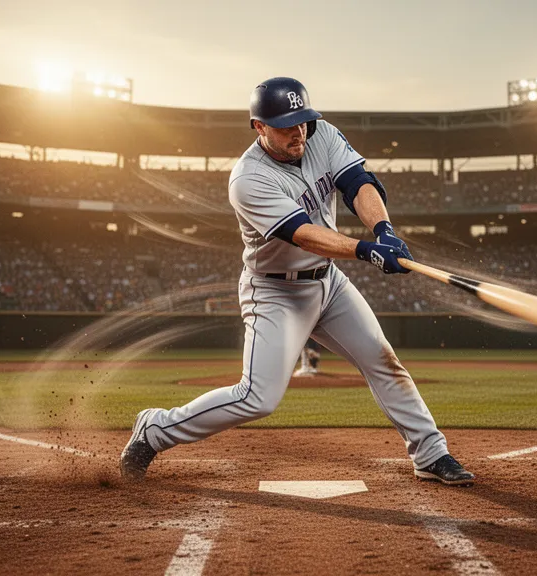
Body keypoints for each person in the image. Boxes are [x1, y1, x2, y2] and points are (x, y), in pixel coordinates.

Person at [119, 77, 474, 486]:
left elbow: (358, 184)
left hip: (329, 283)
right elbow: (303, 234)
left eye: (302, 121)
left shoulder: (322, 135)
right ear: (259, 127)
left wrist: (384, 230)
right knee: (257, 398)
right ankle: (155, 429)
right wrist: (366, 250)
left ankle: (430, 453)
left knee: (383, 360)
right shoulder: (248, 178)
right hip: (275, 292)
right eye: (286, 126)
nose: (298, 132)